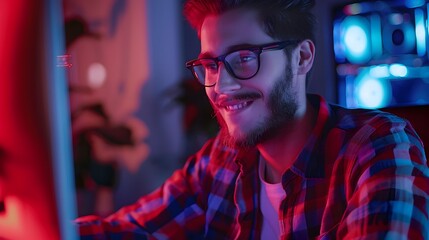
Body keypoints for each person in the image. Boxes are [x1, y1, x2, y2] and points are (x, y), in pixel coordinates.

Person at [76, 0, 429, 239]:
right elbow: (128, 230)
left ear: (302, 58)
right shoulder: (221, 161)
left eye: (244, 58)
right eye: (211, 64)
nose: (221, 86)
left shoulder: (378, 147)